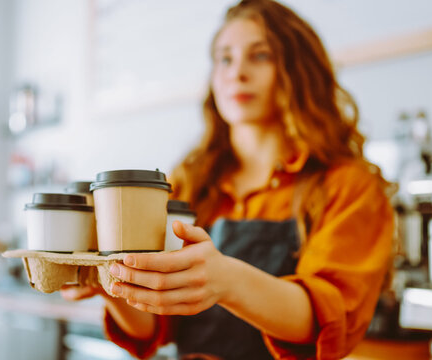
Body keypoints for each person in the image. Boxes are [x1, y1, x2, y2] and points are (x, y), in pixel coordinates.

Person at [61, 0, 394, 358]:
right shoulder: (190, 182)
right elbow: (156, 323)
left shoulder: (349, 186)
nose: (237, 73)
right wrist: (108, 285)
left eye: (260, 55)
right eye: (225, 58)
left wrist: (227, 281)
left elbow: (325, 321)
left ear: (299, 70)